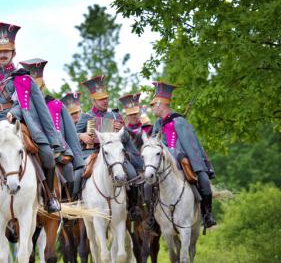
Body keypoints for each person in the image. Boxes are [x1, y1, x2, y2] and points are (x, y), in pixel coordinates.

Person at [0, 22, 64, 217]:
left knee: (46, 154)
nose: (3, 55)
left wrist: (16, 113)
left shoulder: (22, 77)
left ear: (13, 52)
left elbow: (26, 102)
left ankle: (50, 197)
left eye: (6, 51)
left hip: (18, 126)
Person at [75, 75, 144, 219]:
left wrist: (121, 129)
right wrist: (81, 136)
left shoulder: (115, 115)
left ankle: (133, 207)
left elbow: (126, 139)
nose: (105, 101)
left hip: (114, 154)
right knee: (77, 175)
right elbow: (73, 134)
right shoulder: (86, 117)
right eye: (101, 99)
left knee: (132, 174)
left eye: (106, 98)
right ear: (93, 100)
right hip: (91, 152)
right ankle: (77, 205)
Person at [149, 81, 217, 228]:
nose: (151, 108)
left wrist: (198, 167)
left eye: (153, 104)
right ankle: (151, 217)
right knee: (147, 184)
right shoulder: (157, 124)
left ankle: (207, 215)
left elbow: (192, 146)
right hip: (162, 162)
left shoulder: (179, 121)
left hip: (182, 159)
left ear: (160, 104)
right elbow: (152, 144)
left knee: (204, 182)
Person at [19, 58, 85, 198]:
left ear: (43, 86)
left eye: (39, 87)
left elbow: (71, 135)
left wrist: (74, 157)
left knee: (69, 173)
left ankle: (68, 209)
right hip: (28, 145)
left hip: (55, 150)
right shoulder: (19, 102)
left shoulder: (57, 105)